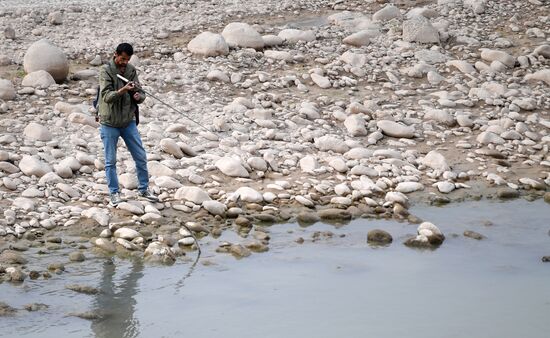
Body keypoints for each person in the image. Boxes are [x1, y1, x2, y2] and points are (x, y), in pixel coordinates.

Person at [98, 42, 158, 206]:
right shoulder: (106, 71)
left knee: (140, 156)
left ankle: (144, 189)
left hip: (128, 121)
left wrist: (138, 96)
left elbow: (141, 93)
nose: (125, 62)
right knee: (110, 161)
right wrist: (123, 90)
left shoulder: (131, 70)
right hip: (109, 122)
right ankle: (114, 193)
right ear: (115, 54)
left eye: (127, 59)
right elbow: (106, 97)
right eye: (122, 59)